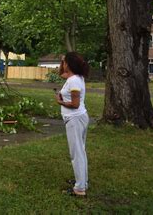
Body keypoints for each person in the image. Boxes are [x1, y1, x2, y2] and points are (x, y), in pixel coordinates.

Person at [55, 52, 90, 197]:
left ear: (69, 64)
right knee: (80, 151)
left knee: (76, 154)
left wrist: (60, 101)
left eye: (64, 62)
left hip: (75, 119)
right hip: (77, 118)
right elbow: (61, 73)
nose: (62, 65)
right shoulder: (74, 77)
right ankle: (82, 181)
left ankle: (80, 189)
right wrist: (63, 60)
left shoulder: (74, 81)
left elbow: (75, 104)